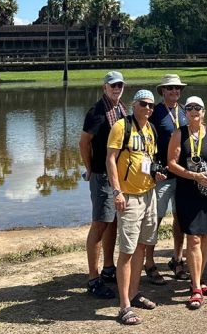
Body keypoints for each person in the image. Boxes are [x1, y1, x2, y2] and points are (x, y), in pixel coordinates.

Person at [107, 89, 165, 324]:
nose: (148, 109)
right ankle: (124, 306)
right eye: (144, 104)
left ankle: (134, 292)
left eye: (151, 105)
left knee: (142, 245)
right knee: (127, 250)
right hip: (128, 197)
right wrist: (117, 191)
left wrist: (155, 175)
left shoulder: (150, 129)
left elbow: (147, 160)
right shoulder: (122, 126)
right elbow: (110, 158)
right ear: (134, 105)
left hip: (148, 193)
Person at [167, 95, 207, 309]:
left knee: (205, 239)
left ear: (203, 112)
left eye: (198, 108)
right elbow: (171, 164)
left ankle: (198, 281)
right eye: (190, 108)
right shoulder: (178, 134)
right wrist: (194, 176)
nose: (194, 112)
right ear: (185, 112)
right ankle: (195, 287)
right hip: (187, 193)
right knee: (192, 239)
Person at [79, 70, 127, 298]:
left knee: (113, 221)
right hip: (101, 174)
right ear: (104, 88)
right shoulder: (97, 112)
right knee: (100, 223)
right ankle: (93, 278)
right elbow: (83, 142)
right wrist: (90, 169)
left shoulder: (121, 110)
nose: (116, 89)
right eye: (112, 86)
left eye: (119, 85)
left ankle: (109, 268)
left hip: (118, 175)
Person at [145, 74, 188, 283]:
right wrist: (152, 170)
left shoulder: (186, 111)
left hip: (182, 174)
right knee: (156, 218)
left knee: (181, 218)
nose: (174, 92)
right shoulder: (154, 112)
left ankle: (177, 259)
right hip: (162, 175)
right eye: (170, 88)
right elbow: (147, 142)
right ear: (162, 91)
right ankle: (149, 262)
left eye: (177, 89)